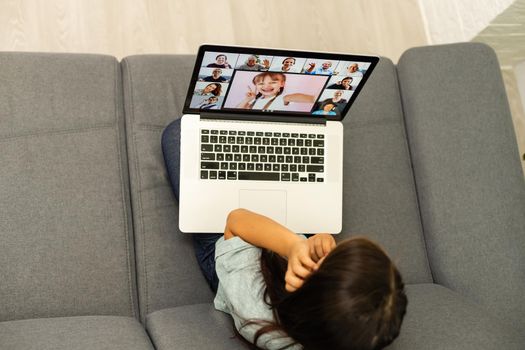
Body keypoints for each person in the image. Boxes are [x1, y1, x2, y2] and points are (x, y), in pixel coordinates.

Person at [161, 119, 408, 350]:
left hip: (232, 249)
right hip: (287, 247)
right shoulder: (345, 326)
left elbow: (236, 220)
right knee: (301, 131)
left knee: (178, 134)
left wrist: (291, 246)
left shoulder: (255, 310)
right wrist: (318, 240)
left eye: (334, 257)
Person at [237, 72, 315, 110]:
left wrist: (314, 99)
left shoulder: (283, 98)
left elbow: (296, 96)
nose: (266, 86)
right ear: (256, 86)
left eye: (273, 82)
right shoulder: (255, 100)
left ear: (282, 84)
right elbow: (237, 112)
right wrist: (247, 99)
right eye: (261, 83)